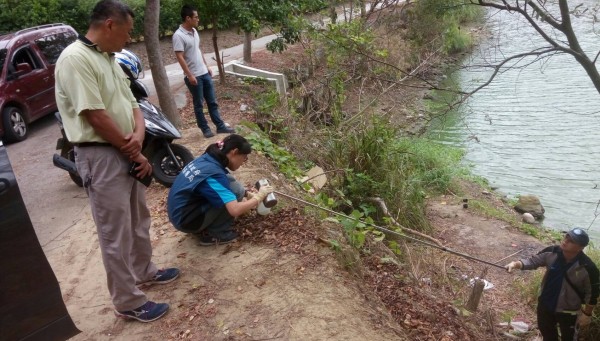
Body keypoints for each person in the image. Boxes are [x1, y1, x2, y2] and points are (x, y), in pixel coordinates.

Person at [55, 0, 179, 323]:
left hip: (125, 150)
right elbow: (94, 115)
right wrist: (134, 150)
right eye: (126, 32)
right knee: (115, 232)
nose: (128, 39)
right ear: (109, 25)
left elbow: (134, 104)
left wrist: (139, 136)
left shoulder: (109, 59)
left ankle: (145, 271)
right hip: (101, 156)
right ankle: (127, 301)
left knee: (138, 218)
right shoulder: (75, 59)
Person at [167, 134, 274, 245]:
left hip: (180, 212)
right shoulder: (214, 175)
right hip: (185, 221)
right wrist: (258, 197)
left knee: (233, 185)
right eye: (244, 158)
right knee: (235, 193)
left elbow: (225, 182)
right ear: (234, 152)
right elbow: (235, 210)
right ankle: (216, 233)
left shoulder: (208, 158)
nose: (243, 162)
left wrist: (247, 194)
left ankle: (206, 224)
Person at [505, 228, 599, 340]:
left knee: (569, 338)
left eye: (572, 241)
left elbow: (592, 293)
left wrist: (587, 314)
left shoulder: (588, 267)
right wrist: (515, 264)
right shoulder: (551, 252)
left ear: (581, 248)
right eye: (566, 237)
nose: (565, 241)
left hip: (569, 312)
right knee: (547, 334)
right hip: (545, 304)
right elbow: (533, 261)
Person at [173, 4, 235, 138]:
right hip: (194, 76)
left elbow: (197, 50)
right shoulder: (178, 36)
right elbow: (179, 56)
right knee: (199, 104)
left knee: (212, 102)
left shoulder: (194, 32)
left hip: (204, 73)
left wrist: (206, 66)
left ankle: (220, 126)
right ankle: (205, 128)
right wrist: (189, 75)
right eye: (196, 17)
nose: (198, 19)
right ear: (188, 18)